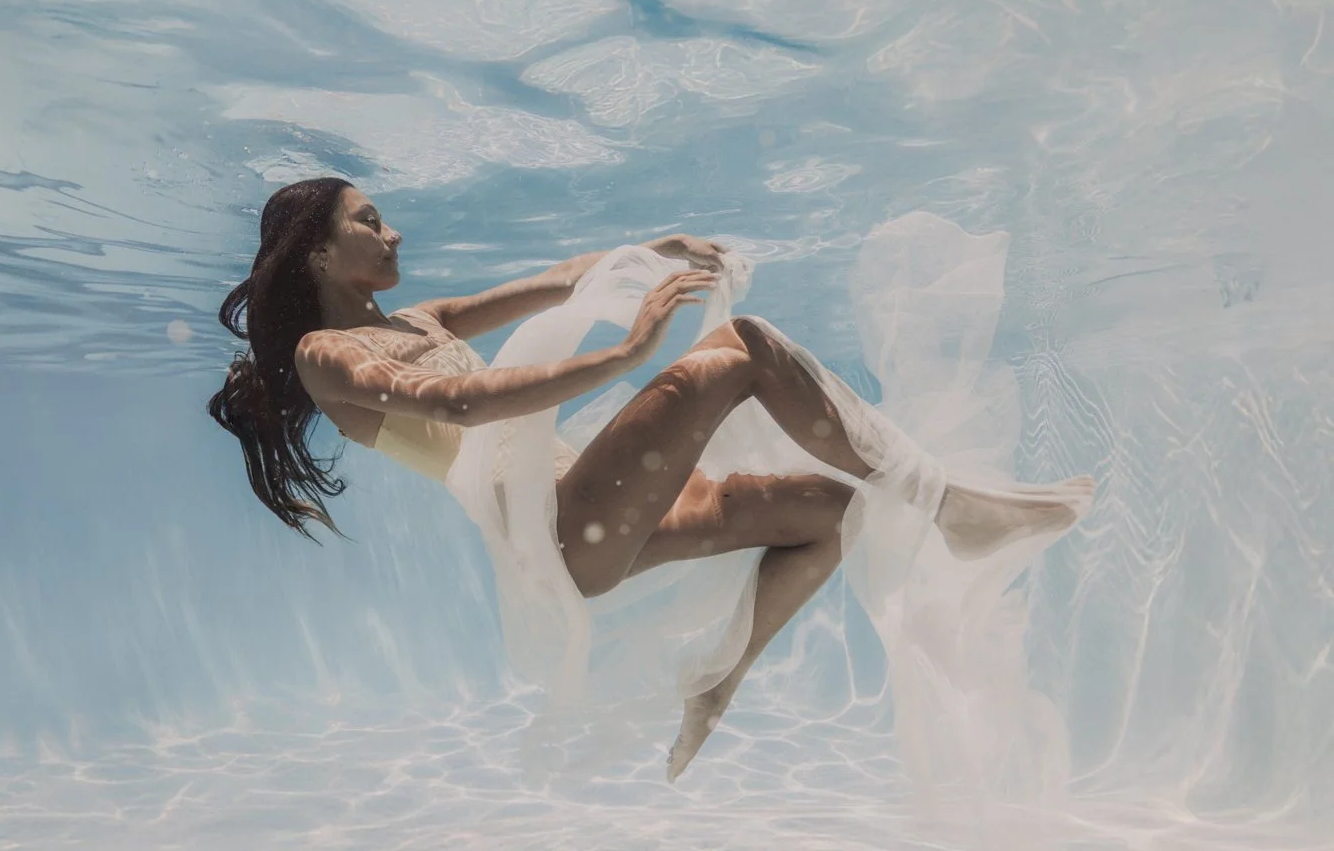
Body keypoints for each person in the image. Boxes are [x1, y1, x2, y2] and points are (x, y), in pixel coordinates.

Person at [210, 177, 1093, 783]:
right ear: (319, 256)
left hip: (594, 512)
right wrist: (627, 352)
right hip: (556, 528)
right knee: (744, 346)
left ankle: (718, 679)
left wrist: (647, 251)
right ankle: (951, 507)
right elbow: (461, 405)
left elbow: (553, 285)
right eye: (368, 220)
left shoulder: (417, 316)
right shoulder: (325, 353)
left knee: (829, 510)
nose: (393, 230)